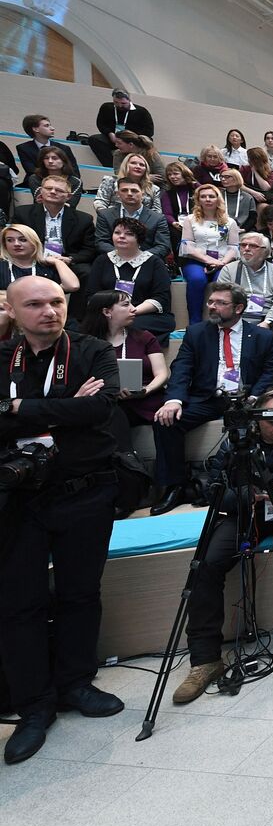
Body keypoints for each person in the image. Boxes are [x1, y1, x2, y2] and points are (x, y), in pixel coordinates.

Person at [0, 276, 124, 764]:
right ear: (13, 309)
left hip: (85, 494)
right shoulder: (2, 357)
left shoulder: (94, 351)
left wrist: (17, 409)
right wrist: (63, 409)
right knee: (19, 604)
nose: (49, 311)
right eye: (35, 304)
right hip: (18, 501)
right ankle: (34, 705)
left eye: (56, 301)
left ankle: (76, 683)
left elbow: (99, 409)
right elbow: (78, 410)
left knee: (80, 594)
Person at [169, 391, 273, 702]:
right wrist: (250, 496)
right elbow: (213, 488)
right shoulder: (237, 443)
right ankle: (205, 660)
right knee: (206, 564)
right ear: (258, 418)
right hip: (246, 512)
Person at [150, 283, 273, 515]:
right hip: (208, 397)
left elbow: (270, 372)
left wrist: (253, 396)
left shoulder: (262, 336)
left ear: (239, 308)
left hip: (246, 399)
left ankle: (253, 485)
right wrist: (174, 400)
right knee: (165, 421)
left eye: (221, 303)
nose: (213, 307)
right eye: (211, 302)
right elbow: (182, 368)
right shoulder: (197, 332)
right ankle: (175, 485)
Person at [80, 289, 169, 451]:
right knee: (109, 412)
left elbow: (162, 373)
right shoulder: (87, 343)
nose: (133, 309)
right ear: (107, 312)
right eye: (126, 305)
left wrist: (145, 390)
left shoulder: (144, 337)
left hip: (145, 399)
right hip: (106, 400)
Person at [87, 218, 175, 343]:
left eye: (129, 234)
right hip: (108, 313)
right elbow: (92, 294)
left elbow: (161, 298)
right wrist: (114, 312)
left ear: (139, 239)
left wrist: (130, 311)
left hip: (143, 314)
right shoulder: (102, 260)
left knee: (132, 326)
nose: (121, 237)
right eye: (117, 233)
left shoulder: (154, 262)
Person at [14, 175, 97, 294]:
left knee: (86, 272)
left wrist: (69, 259)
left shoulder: (83, 219)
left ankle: (75, 313)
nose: (53, 192)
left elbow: (89, 250)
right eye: (48, 188)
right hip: (33, 258)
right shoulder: (23, 213)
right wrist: (37, 256)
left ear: (68, 196)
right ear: (41, 191)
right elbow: (16, 241)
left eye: (59, 190)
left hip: (65, 260)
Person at [217, 232, 273, 344]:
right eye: (243, 245)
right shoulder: (228, 270)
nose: (246, 249)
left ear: (265, 251)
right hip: (238, 315)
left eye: (253, 246)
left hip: (267, 315)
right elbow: (222, 298)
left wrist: (267, 322)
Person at [95, 176, 172, 260]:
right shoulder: (105, 215)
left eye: (134, 190)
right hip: (113, 261)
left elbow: (163, 246)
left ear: (143, 193)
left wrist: (139, 258)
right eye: (124, 190)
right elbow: (101, 242)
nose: (129, 194)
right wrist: (121, 256)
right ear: (117, 194)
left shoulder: (158, 218)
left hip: (147, 263)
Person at [0, 222, 80, 294]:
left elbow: (72, 286)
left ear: (34, 243)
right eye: (10, 240)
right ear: (5, 244)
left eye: (23, 240)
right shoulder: (2, 266)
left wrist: (58, 262)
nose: (16, 244)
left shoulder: (46, 267)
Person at [89, 89, 154, 168]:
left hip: (133, 140)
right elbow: (101, 124)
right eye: (116, 102)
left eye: (123, 103)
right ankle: (111, 166)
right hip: (113, 138)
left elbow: (149, 131)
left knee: (146, 142)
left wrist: (130, 138)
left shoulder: (142, 111)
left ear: (129, 100)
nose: (120, 106)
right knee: (94, 139)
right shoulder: (106, 107)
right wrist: (110, 134)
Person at [16, 114, 72, 186]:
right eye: (47, 126)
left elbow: (72, 170)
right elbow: (31, 170)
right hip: (37, 182)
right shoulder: (23, 148)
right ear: (36, 129)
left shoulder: (64, 148)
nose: (52, 128)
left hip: (62, 181)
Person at [94, 153, 160, 213]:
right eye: (133, 163)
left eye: (142, 165)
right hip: (112, 220)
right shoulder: (110, 181)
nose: (138, 166)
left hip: (142, 223)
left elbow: (157, 211)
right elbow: (100, 202)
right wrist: (106, 217)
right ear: (125, 165)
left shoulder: (154, 189)